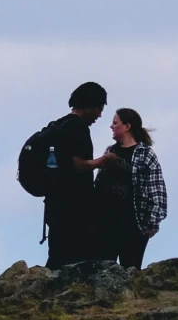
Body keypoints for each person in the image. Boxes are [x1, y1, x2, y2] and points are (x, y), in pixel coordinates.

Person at [91, 106, 167, 270]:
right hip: (105, 223)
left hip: (133, 226)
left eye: (115, 122)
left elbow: (157, 190)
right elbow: (98, 183)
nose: (111, 126)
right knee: (102, 270)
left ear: (127, 126)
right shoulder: (110, 151)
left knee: (131, 270)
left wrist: (152, 223)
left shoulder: (145, 154)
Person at [42, 81, 107, 268]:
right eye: (98, 108)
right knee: (70, 257)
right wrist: (99, 162)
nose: (99, 115)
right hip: (72, 205)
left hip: (55, 203)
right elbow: (75, 163)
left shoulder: (58, 125)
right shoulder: (76, 128)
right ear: (89, 105)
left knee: (59, 253)